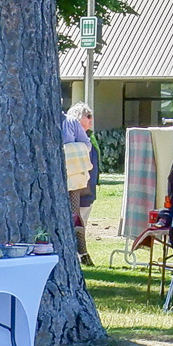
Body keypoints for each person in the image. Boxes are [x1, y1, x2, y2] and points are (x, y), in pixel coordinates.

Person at [62, 103, 98, 264]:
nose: (91, 120)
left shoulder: (69, 122)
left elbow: (87, 145)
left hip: (74, 181)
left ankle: (81, 253)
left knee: (75, 215)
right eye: (88, 116)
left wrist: (68, 150)